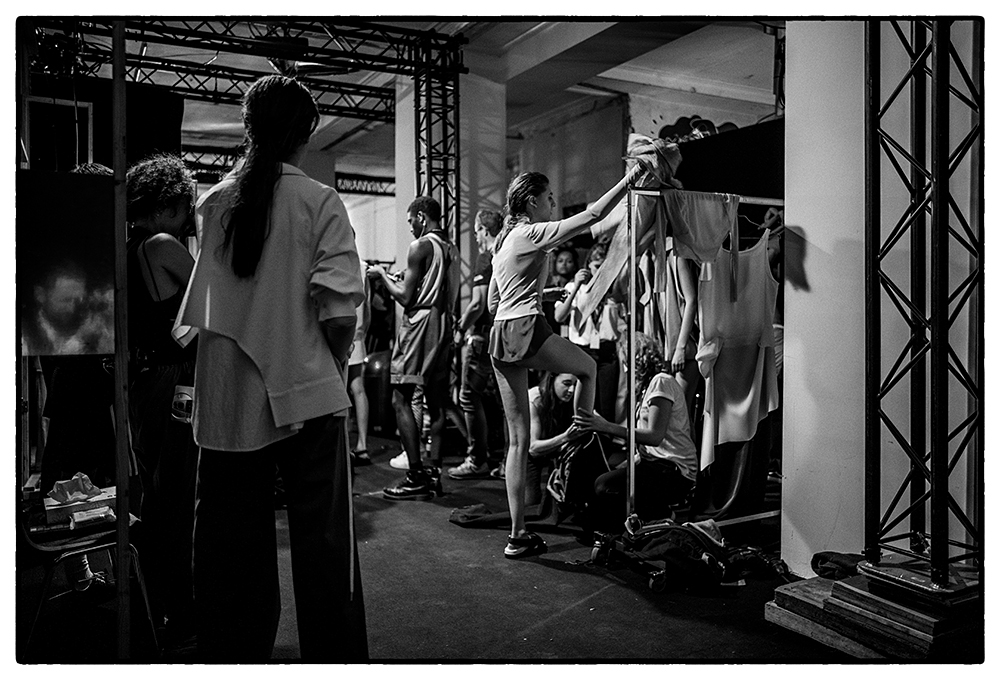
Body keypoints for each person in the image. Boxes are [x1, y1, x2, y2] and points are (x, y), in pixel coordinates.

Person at [174, 74, 368, 662]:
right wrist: (330, 363)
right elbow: (339, 312)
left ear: (248, 128)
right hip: (307, 393)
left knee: (230, 550)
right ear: (306, 133)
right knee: (325, 552)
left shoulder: (213, 203)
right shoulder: (319, 201)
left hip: (228, 397)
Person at [488, 163, 644, 559]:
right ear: (531, 202)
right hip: (526, 328)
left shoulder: (503, 244)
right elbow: (593, 215)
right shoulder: (531, 233)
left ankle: (517, 535)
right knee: (587, 368)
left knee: (518, 441)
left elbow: (494, 302)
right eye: (549, 198)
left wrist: (540, 292)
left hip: (501, 334)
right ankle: (580, 432)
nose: (553, 204)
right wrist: (629, 180)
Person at [125, 153, 200, 647]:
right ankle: (181, 615)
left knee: (157, 495)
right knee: (176, 499)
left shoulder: (130, 247)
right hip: (175, 381)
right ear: (164, 206)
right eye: (184, 207)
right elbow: (213, 295)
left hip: (145, 381)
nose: (188, 215)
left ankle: (157, 606)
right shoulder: (161, 245)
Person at [367, 196, 459, 500]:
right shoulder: (450, 247)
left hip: (420, 325)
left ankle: (415, 475)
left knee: (400, 398)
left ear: (421, 216)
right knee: (436, 402)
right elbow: (442, 288)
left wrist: (382, 275)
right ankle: (434, 473)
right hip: (442, 324)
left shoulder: (419, 246)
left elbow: (406, 298)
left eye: (410, 221)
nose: (410, 227)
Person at [573, 333, 698, 532]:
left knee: (605, 486)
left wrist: (606, 426)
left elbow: (654, 436)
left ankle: (660, 514)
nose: (624, 369)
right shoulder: (647, 388)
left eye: (625, 362)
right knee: (601, 485)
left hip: (674, 468)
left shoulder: (661, 382)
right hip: (655, 463)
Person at [448, 209, 503, 480]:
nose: (476, 237)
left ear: (484, 230)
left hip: (483, 337)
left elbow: (479, 303)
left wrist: (460, 328)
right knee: (504, 401)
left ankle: (476, 459)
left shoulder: (485, 258)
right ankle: (505, 460)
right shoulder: (505, 254)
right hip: (503, 335)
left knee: (468, 396)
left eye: (477, 231)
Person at [553, 241, 625, 423]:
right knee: (583, 405)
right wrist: (577, 285)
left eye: (605, 267)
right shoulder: (573, 288)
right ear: (588, 266)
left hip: (607, 351)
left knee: (606, 405)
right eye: (596, 266)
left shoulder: (615, 290)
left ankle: (604, 438)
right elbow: (559, 316)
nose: (600, 272)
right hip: (582, 350)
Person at [348, 260, 372, 465]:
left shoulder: (336, 257)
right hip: (357, 334)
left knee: (339, 391)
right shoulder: (363, 267)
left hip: (338, 331)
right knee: (358, 389)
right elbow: (368, 306)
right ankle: (362, 445)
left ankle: (342, 446)